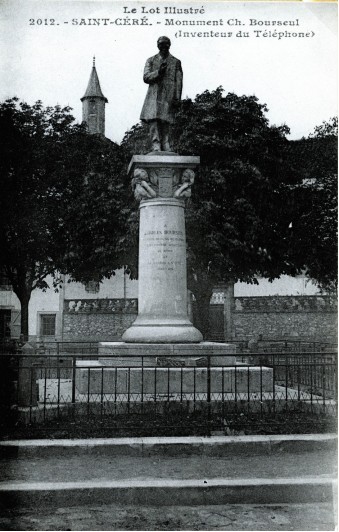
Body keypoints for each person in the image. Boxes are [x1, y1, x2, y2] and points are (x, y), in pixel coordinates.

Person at [140, 36, 183, 152]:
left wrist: (177, 98)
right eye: (161, 44)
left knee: (166, 121)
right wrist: (158, 72)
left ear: (169, 45)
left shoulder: (176, 62)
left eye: (165, 44)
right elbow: (146, 77)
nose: (163, 47)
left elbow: (179, 81)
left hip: (168, 96)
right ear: (157, 46)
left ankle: (166, 143)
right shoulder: (151, 60)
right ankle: (156, 144)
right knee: (154, 120)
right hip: (154, 96)